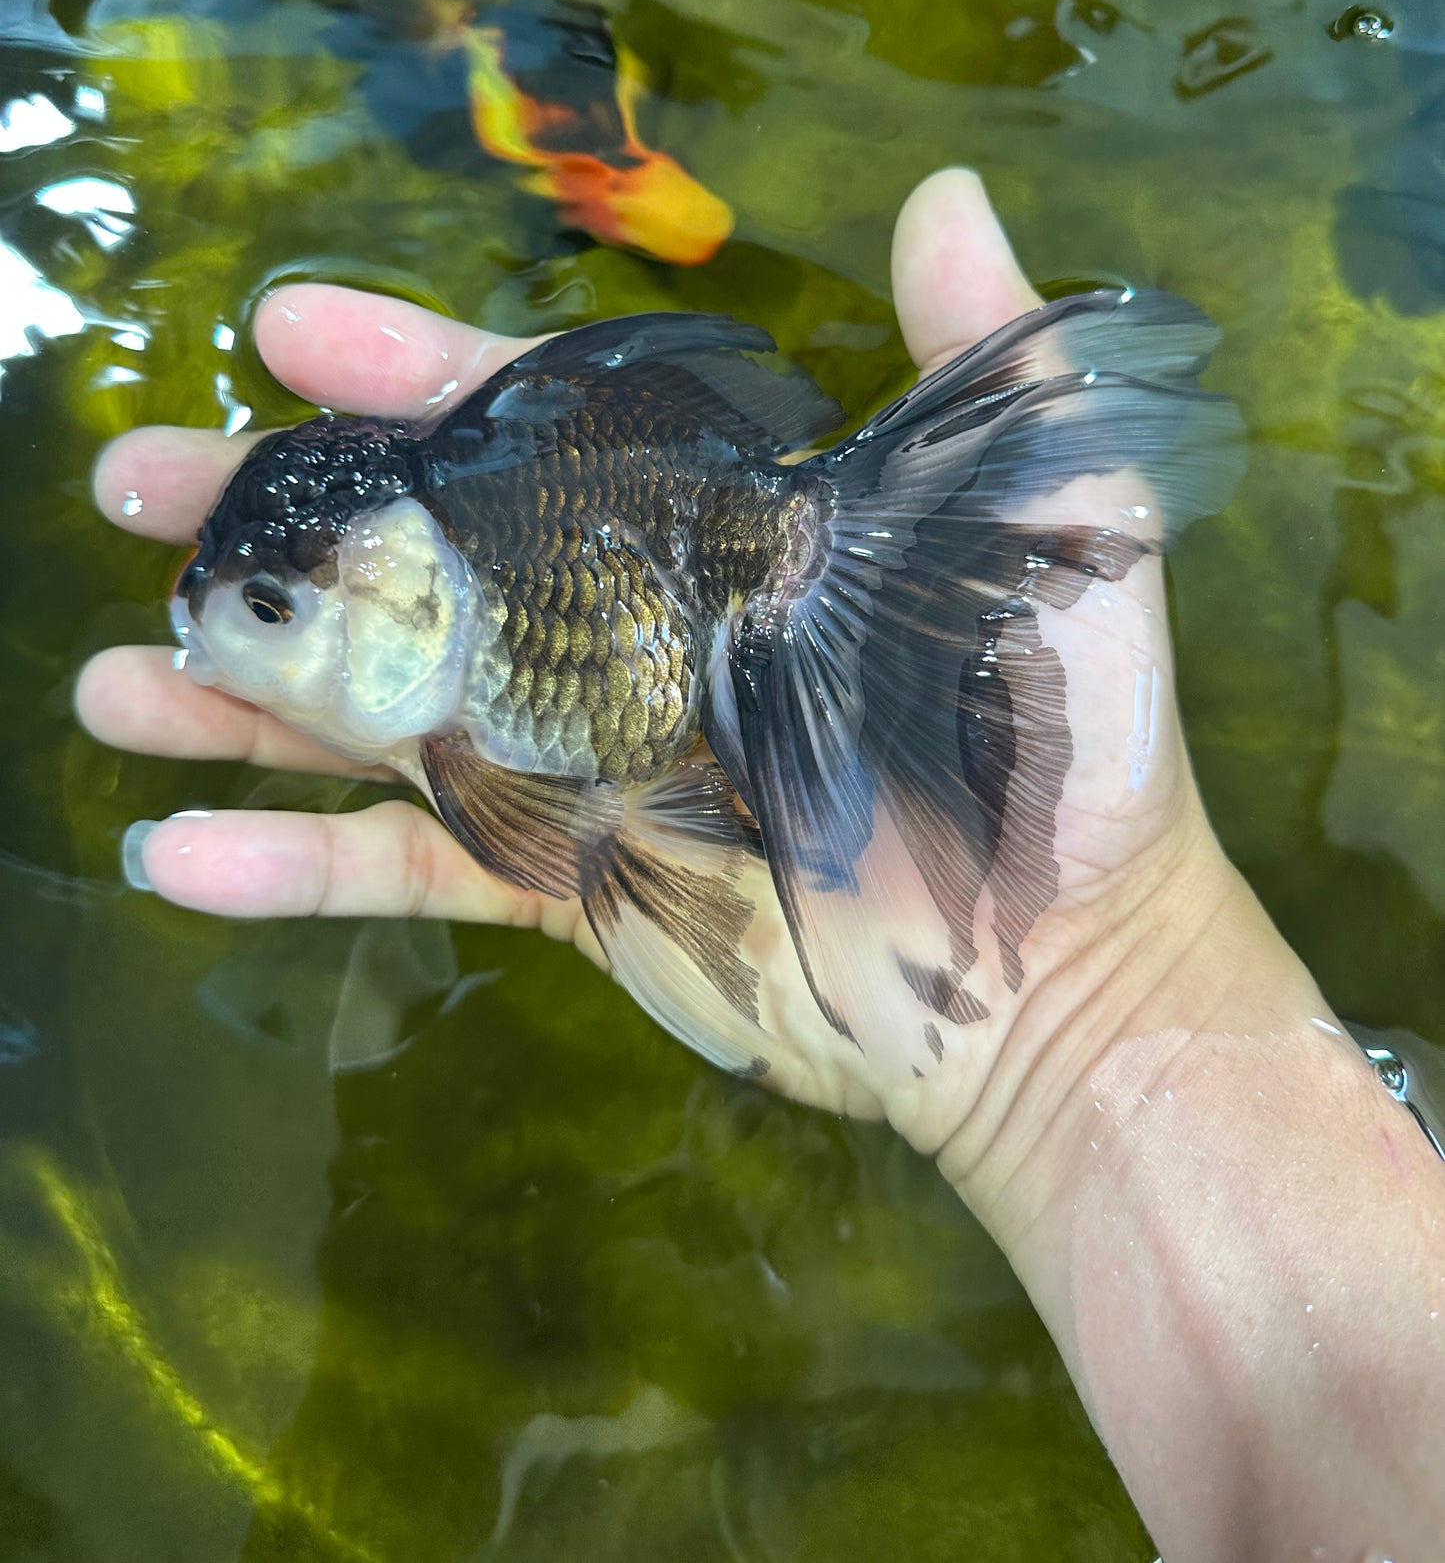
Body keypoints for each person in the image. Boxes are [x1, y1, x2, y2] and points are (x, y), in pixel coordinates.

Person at [75, 170, 1445, 1562]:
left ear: (400, 598)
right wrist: (1080, 1028)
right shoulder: (465, 724)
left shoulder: (499, 730)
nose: (229, 630)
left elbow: (577, 827)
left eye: (266, 609)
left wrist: (1086, 996)